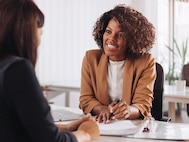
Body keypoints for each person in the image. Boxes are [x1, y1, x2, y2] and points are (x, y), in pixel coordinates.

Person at [0, 0, 99, 142]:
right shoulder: (17, 70)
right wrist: (86, 133)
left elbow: (11, 126)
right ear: (26, 30)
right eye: (40, 31)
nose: (40, 39)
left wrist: (65, 128)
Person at [79, 4, 156, 124]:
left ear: (132, 39)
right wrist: (102, 109)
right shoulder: (91, 59)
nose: (111, 38)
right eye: (108, 31)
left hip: (134, 127)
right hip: (103, 125)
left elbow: (143, 104)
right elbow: (86, 99)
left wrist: (128, 111)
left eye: (120, 35)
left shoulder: (145, 62)